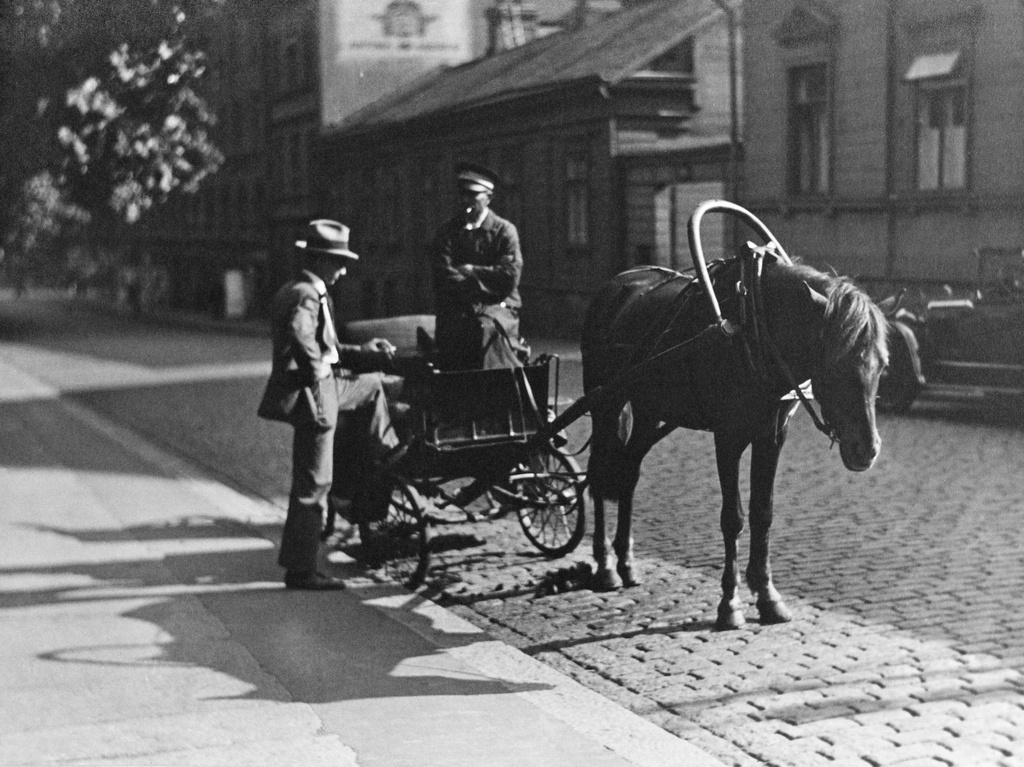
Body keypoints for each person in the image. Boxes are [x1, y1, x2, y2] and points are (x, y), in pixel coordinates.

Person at [258, 219, 399, 590]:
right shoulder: (306, 294)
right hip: (316, 397)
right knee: (314, 485)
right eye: (339, 262)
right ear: (320, 260)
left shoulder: (302, 288)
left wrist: (363, 352)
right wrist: (317, 368)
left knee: (372, 385)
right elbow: (301, 333)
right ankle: (302, 571)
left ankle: (386, 450)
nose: (343, 270)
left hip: (323, 390)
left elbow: (327, 348)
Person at [429, 161, 528, 370]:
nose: (465, 200)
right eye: (462, 194)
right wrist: (482, 282)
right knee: (453, 342)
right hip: (458, 308)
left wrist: (472, 271)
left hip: (500, 309)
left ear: (488, 197)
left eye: (473, 195)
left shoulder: (504, 231)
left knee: (486, 331)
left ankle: (495, 384)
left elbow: (509, 276)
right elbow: (443, 275)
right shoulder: (447, 233)